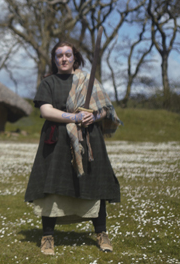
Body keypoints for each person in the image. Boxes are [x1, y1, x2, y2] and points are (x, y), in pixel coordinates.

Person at [24, 41, 122, 255]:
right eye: (59, 55)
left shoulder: (88, 81)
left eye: (68, 54)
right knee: (52, 185)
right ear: (55, 59)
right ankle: (47, 236)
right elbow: (46, 111)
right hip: (57, 140)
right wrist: (74, 117)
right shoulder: (48, 82)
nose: (64, 58)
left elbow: (105, 109)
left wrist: (92, 116)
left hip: (88, 138)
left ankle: (102, 232)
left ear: (75, 57)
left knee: (94, 184)